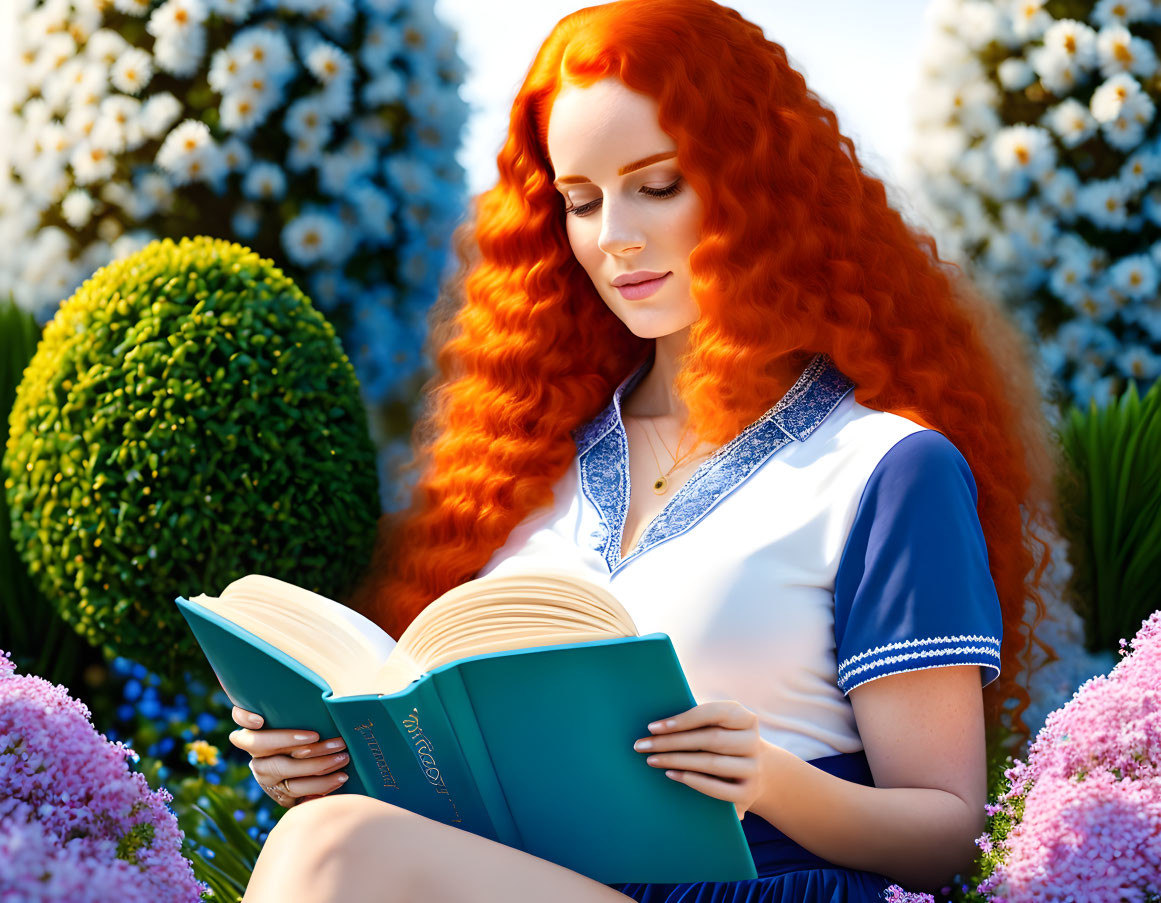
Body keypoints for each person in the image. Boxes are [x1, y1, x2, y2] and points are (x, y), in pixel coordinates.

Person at [228, 0, 1062, 900]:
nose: (613, 236)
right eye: (579, 201)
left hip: (759, 888)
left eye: (656, 185)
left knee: (335, 850)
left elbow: (946, 834)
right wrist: (328, 762)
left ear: (760, 186)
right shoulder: (528, 468)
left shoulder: (883, 467)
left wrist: (768, 778)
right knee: (331, 829)